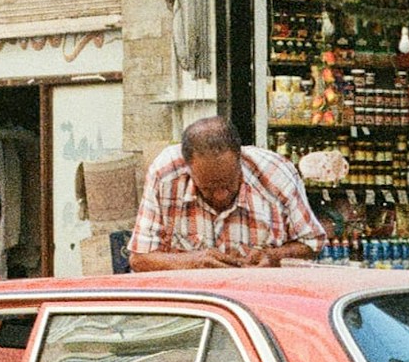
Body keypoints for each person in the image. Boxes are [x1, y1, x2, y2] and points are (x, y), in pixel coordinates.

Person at [129, 114, 327, 270]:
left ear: (240, 159)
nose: (220, 195)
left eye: (227, 184)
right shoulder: (166, 175)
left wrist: (274, 256)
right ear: (188, 166)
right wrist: (192, 262)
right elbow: (139, 259)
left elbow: (312, 243)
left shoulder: (276, 176)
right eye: (207, 188)